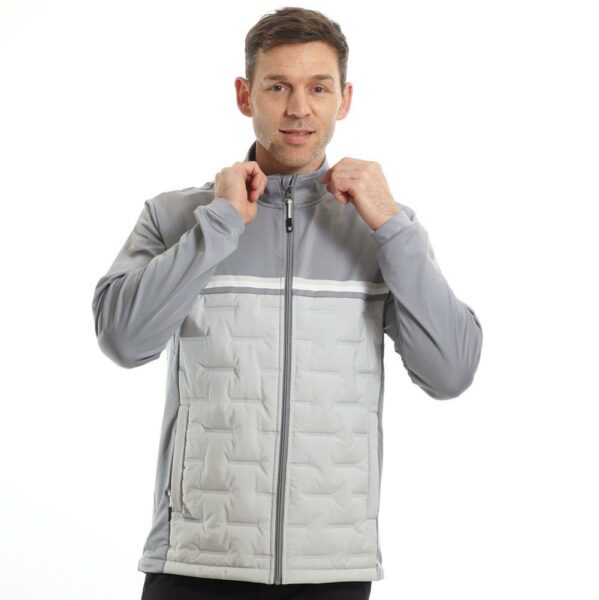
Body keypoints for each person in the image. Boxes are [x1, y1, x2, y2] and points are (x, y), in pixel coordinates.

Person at [91, 6, 483, 600]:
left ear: (344, 100)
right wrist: (219, 224)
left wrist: (394, 228)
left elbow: (450, 373)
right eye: (278, 87)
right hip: (195, 563)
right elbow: (123, 341)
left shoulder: (382, 228)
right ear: (245, 95)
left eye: (318, 88)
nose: (299, 108)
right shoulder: (177, 217)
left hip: (332, 570)